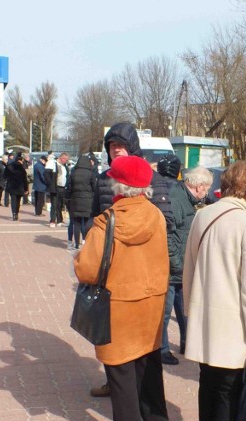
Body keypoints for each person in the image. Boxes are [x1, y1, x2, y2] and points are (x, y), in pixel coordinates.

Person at [74, 155, 169, 421]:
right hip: (152, 300)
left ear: (117, 185)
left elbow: (88, 269)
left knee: (120, 370)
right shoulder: (156, 215)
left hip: (119, 303)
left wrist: (77, 260)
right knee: (148, 363)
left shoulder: (107, 222)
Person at [182, 161, 246, 421]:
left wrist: (191, 310)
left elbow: (188, 267)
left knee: (208, 376)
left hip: (204, 312)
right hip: (233, 321)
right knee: (228, 389)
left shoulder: (203, 214)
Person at [88, 123, 173, 398]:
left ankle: (139, 400)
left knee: (146, 341)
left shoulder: (154, 179)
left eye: (121, 147)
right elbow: (95, 219)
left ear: (133, 148)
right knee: (116, 337)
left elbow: (165, 222)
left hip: (146, 267)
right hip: (114, 268)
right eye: (112, 148)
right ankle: (117, 385)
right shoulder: (103, 179)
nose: (116, 152)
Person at [160, 164, 213, 365]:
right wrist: (177, 263)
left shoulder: (186, 199)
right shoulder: (177, 199)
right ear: (198, 186)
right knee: (165, 313)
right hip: (174, 267)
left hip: (181, 266)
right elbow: (168, 235)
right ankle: (162, 349)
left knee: (185, 308)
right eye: (206, 188)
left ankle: (186, 342)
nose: (207, 192)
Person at [67, 154, 96, 250]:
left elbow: (69, 187)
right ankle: (85, 241)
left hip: (75, 200)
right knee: (87, 222)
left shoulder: (73, 173)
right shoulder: (90, 173)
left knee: (77, 223)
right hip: (88, 200)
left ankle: (76, 244)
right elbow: (94, 187)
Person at [45, 153, 70, 227]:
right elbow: (46, 174)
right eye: (66, 160)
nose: (66, 161)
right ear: (62, 158)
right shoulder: (52, 163)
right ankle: (52, 220)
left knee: (60, 204)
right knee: (54, 204)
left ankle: (59, 220)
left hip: (62, 187)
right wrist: (50, 184)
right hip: (55, 187)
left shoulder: (64, 166)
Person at [4, 153, 29, 221]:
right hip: (19, 187)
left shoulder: (9, 167)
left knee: (13, 200)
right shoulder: (22, 169)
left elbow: (4, 175)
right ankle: (17, 213)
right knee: (18, 201)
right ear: (20, 161)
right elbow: (25, 180)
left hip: (11, 186)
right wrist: (26, 189)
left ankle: (14, 213)